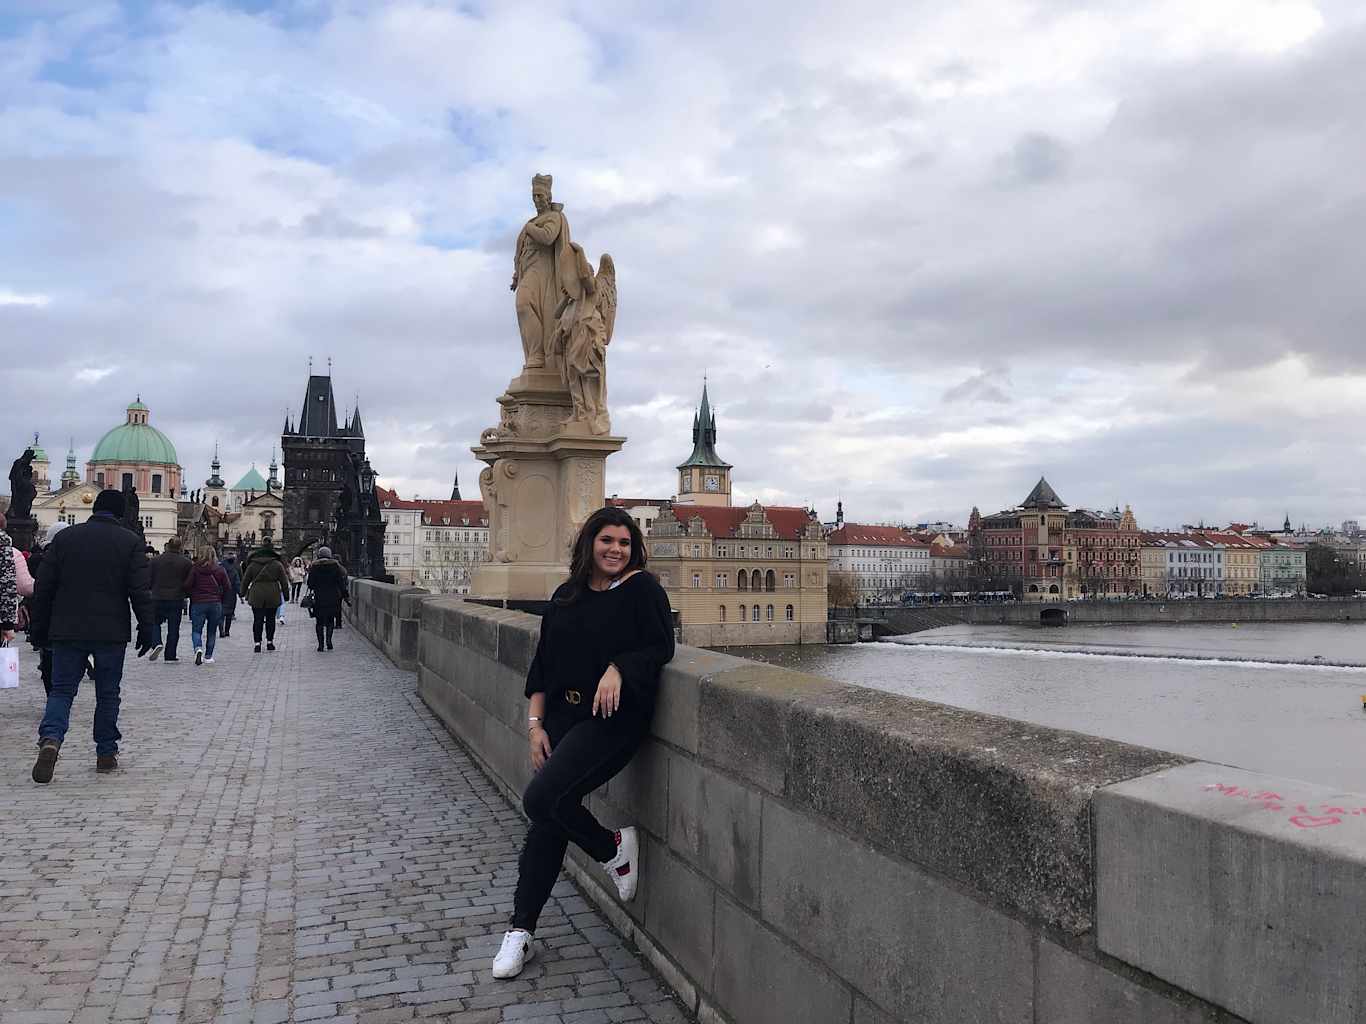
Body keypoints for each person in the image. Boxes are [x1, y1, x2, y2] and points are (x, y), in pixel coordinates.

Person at [491, 506, 675, 980]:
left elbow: (660, 646)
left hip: (612, 721)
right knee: (548, 818)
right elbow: (543, 666)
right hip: (563, 718)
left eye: (624, 542)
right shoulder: (567, 596)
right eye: (606, 541)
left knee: (541, 799)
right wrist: (535, 725)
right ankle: (521, 931)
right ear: (589, 544)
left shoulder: (642, 590)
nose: (615, 550)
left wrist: (618, 667)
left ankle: (611, 848)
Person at [26, 488, 157, 783]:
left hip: (66, 628)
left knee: (61, 691)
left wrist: (39, 628)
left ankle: (51, 739)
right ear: (122, 514)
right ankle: (106, 753)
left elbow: (44, 587)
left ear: (93, 508)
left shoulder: (64, 539)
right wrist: (147, 628)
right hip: (111, 631)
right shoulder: (130, 542)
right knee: (108, 693)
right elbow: (139, 590)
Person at [147, 537, 192, 662]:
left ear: (167, 546)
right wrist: (186, 593)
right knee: (173, 628)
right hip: (176, 598)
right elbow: (189, 581)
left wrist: (151, 589)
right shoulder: (186, 563)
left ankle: (156, 642)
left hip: (157, 596)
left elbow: (148, 579)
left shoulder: (155, 561)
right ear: (180, 547)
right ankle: (170, 654)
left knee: (155, 622)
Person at [241, 539, 288, 652]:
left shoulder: (252, 564)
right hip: (273, 593)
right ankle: (270, 642)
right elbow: (284, 581)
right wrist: (286, 595)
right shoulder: (277, 564)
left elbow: (245, 580)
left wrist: (242, 592)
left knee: (258, 619)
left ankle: (257, 643)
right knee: (271, 619)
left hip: (257, 593)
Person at [186, 546, 230, 665]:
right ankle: (208, 656)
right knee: (211, 631)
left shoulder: (195, 568)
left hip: (198, 602)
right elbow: (227, 587)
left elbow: (188, 585)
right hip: (215, 603)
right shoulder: (220, 569)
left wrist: (193, 595)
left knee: (196, 629)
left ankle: (198, 648)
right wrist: (220, 597)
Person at [305, 546, 349, 652]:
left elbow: (310, 584)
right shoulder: (336, 567)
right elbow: (341, 583)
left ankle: (320, 645)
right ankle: (329, 641)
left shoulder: (314, 567)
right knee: (330, 621)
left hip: (319, 598)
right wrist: (345, 595)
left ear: (319, 555)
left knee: (319, 622)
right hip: (333, 597)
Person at [218, 552, 241, 637]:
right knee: (229, 613)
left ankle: (221, 630)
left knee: (220, 613)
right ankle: (227, 631)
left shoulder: (219, 567)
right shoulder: (234, 570)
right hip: (231, 593)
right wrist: (240, 594)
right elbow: (237, 583)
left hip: (220, 592)